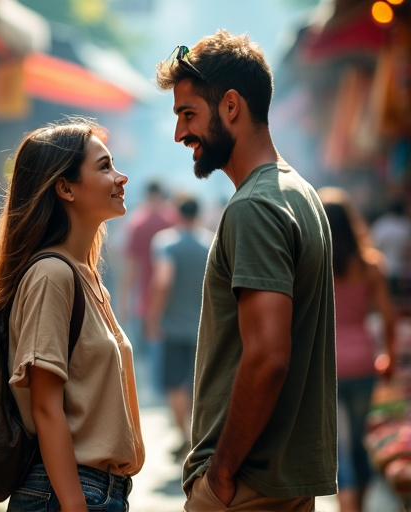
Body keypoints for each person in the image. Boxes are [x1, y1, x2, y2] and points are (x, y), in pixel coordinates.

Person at [155, 30, 337, 511]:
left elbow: (267, 357)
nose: (180, 134)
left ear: (230, 106)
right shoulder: (299, 193)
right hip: (281, 482)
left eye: (187, 113)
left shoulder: (254, 206)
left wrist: (220, 472)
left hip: (246, 488)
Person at [0, 117, 144, 512]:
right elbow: (46, 408)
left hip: (98, 491)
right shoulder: (51, 275)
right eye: (104, 166)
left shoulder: (84, 275)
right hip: (68, 493)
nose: (122, 177)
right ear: (65, 187)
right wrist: (75, 505)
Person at [318, 186, 396, 512]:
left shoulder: (312, 264)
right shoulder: (370, 265)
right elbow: (388, 318)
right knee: (362, 443)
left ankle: (346, 506)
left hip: (326, 365)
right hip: (364, 361)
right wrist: (388, 355)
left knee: (337, 445)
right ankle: (358, 507)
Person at [145, 194, 213, 461]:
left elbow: (163, 281)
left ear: (177, 213)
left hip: (173, 326)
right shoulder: (210, 242)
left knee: (175, 384)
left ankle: (184, 436)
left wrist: (153, 318)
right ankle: (198, 437)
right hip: (204, 326)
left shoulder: (166, 242)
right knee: (197, 384)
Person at [119, 180, 177, 402]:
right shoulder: (172, 220)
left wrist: (124, 301)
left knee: (149, 345)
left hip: (144, 296)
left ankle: (156, 391)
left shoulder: (137, 223)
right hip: (172, 296)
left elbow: (130, 267)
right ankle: (168, 392)